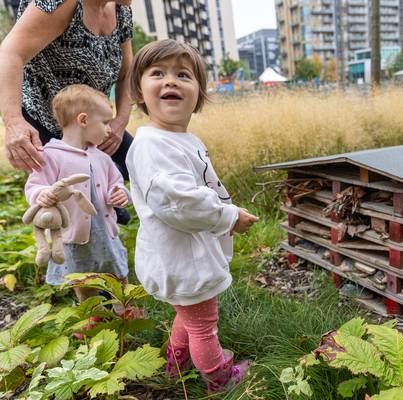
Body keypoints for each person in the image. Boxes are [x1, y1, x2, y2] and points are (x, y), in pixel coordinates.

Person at [125, 40, 259, 392]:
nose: (171, 81)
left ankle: (176, 363)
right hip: (184, 258)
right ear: (139, 91)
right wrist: (229, 217)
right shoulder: (153, 145)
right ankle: (218, 378)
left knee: (186, 314)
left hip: (180, 255)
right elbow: (179, 202)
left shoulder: (183, 139)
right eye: (158, 74)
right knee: (203, 325)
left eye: (183, 75)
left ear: (198, 93)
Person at [0, 0, 134, 223]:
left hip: (91, 123)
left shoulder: (122, 10)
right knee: (69, 214)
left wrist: (120, 121)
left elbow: (127, 72)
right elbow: (9, 53)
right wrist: (13, 121)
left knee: (139, 166)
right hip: (45, 119)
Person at [24, 85, 129, 305]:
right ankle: (90, 312)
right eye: (105, 123)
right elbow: (35, 186)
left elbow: (115, 183)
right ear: (83, 120)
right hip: (74, 232)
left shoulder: (102, 157)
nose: (109, 130)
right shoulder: (50, 155)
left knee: (117, 269)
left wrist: (118, 193)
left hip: (104, 229)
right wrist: (42, 194)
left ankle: (124, 307)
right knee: (81, 277)